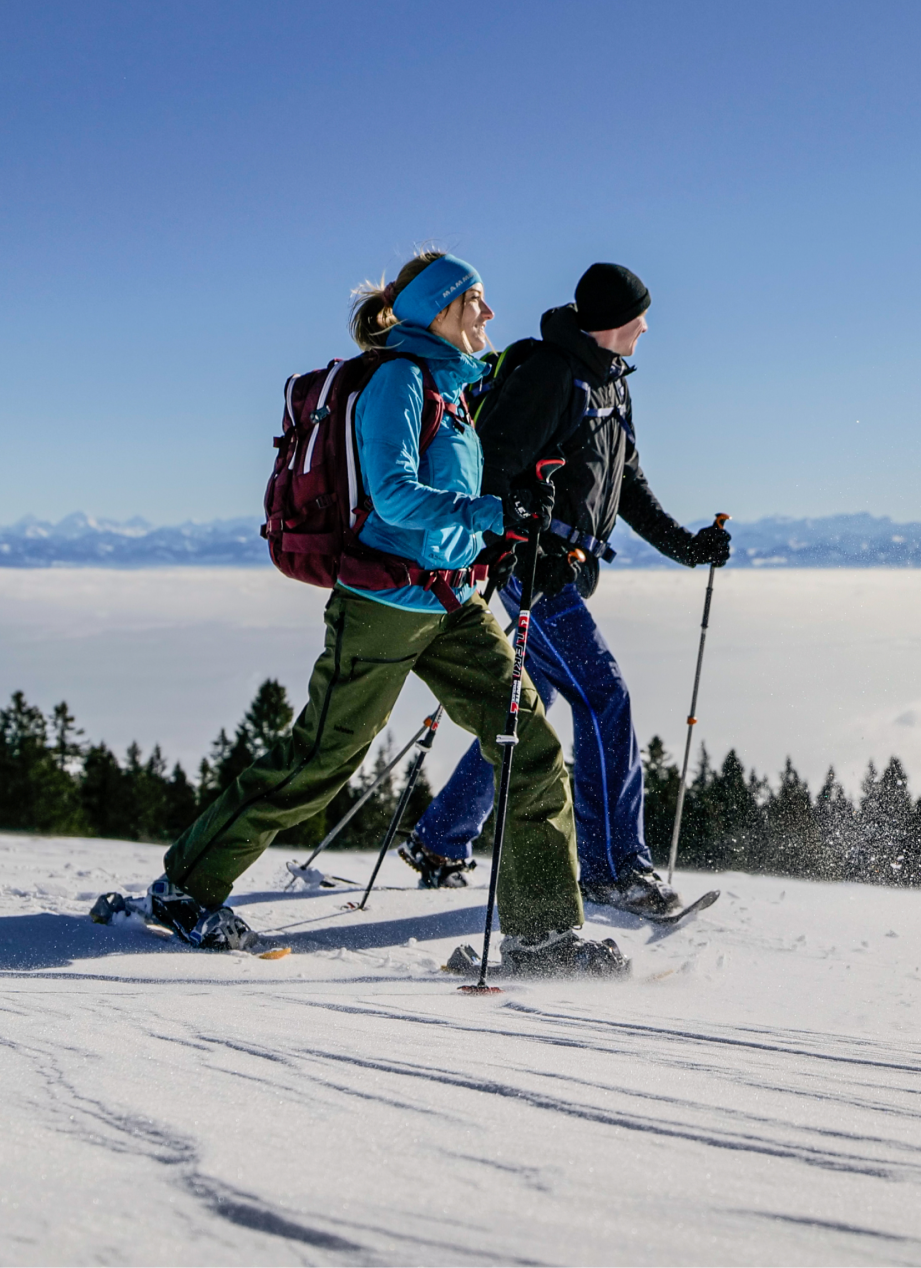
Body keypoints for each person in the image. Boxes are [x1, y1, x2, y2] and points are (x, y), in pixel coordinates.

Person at [147, 251, 626, 975]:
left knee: (529, 749)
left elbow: (455, 502)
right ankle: (186, 887)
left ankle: (544, 938)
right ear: (439, 308)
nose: (489, 312)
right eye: (475, 299)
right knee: (323, 758)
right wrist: (490, 510)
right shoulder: (399, 380)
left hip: (455, 602)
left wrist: (510, 515)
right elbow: (394, 494)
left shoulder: (452, 387)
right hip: (383, 605)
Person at [399, 263, 731, 917]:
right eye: (638, 315)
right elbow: (492, 467)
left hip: (568, 569)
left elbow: (627, 485)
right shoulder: (551, 374)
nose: (646, 326)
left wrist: (686, 547)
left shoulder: (612, 383)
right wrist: (527, 544)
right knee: (604, 696)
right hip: (533, 573)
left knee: (529, 704)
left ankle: (440, 840)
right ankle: (612, 870)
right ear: (612, 320)